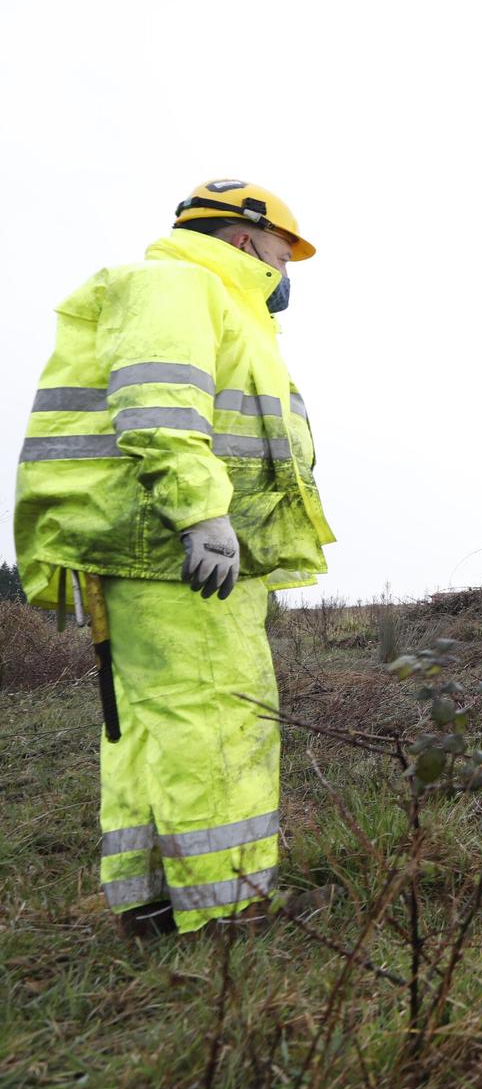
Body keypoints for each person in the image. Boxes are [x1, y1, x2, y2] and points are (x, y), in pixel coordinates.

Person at [13, 180, 335, 937]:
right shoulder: (183, 286)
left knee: (150, 728)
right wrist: (202, 515)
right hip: (175, 555)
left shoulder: (210, 301)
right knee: (219, 716)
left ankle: (151, 902)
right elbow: (159, 408)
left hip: (158, 553)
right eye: (285, 254)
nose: (288, 271)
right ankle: (229, 907)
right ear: (245, 240)